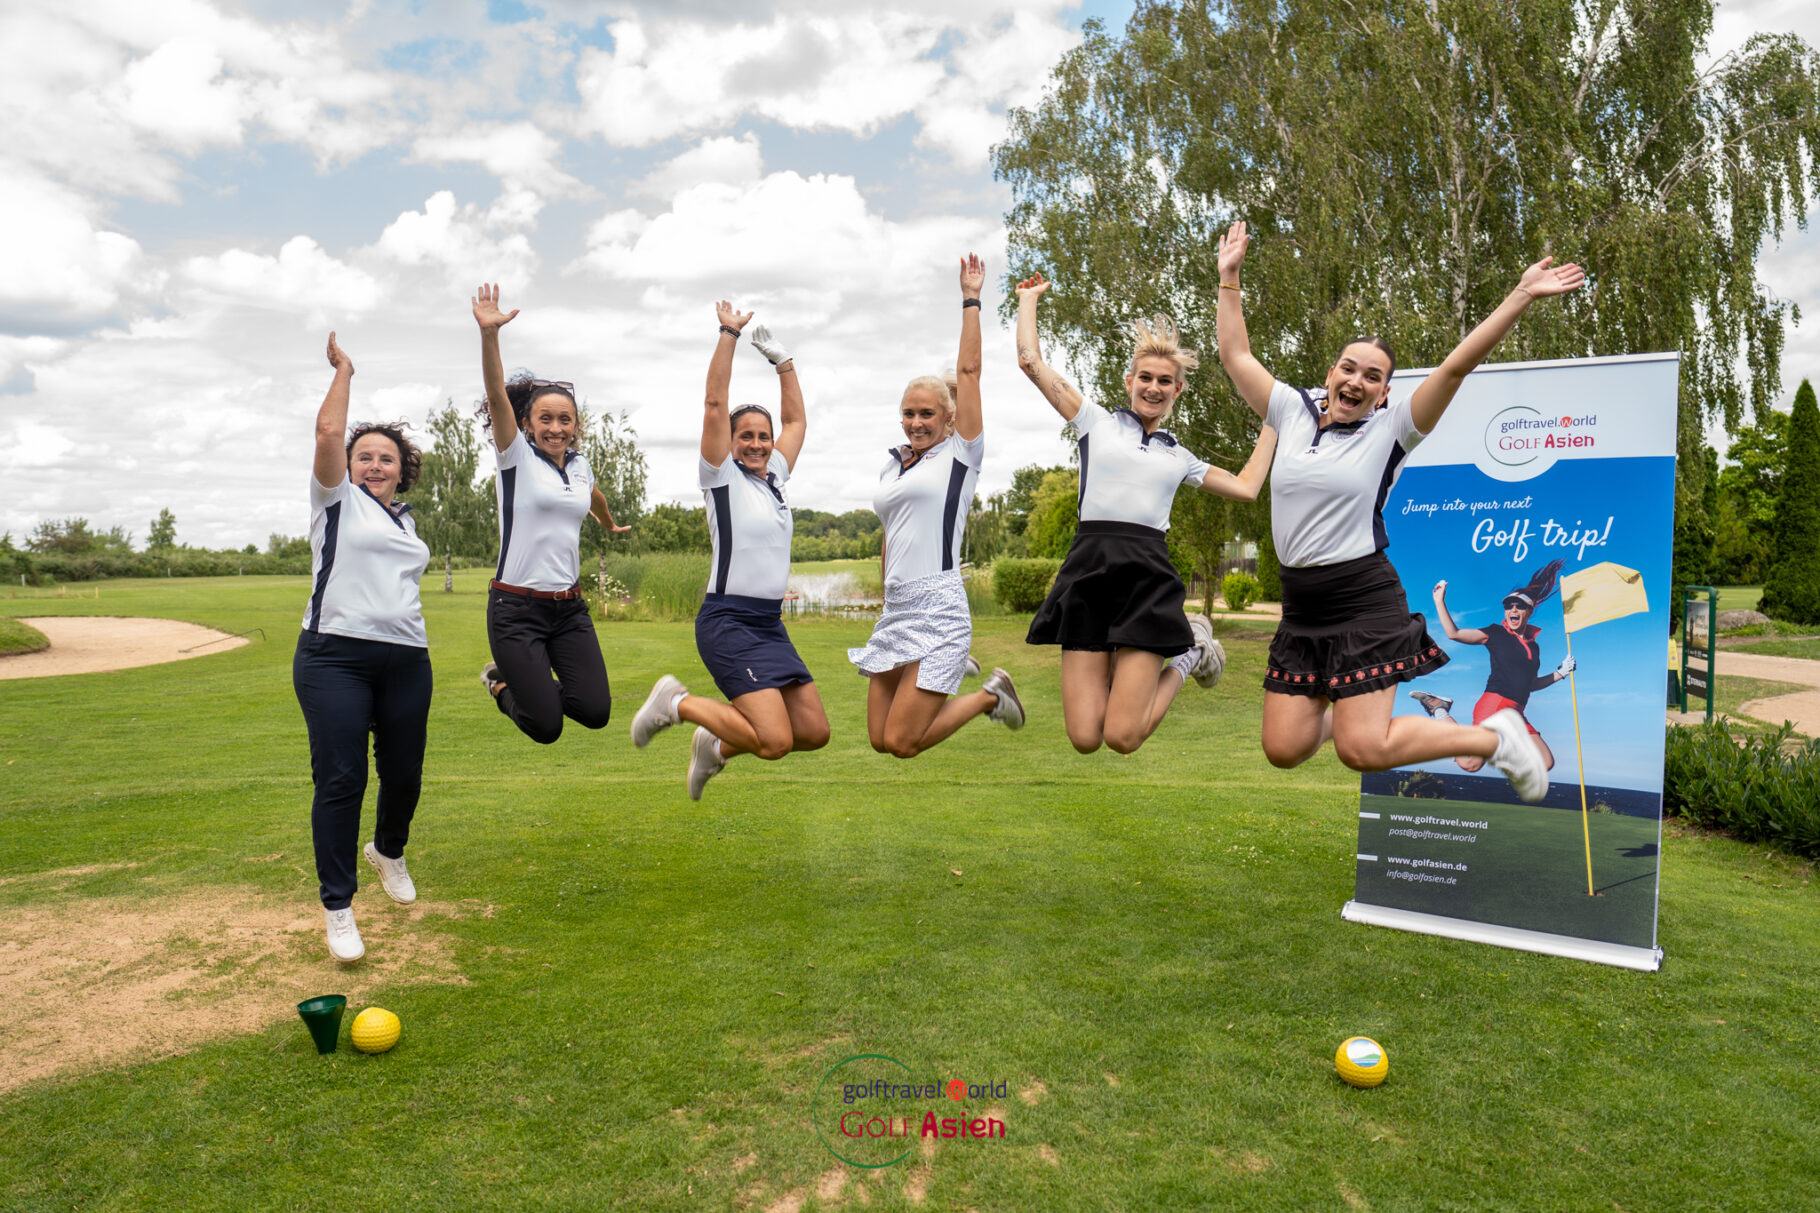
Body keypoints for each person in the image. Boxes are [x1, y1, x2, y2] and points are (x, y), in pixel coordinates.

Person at [1214, 219, 1585, 801]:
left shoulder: (1393, 429)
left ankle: (1493, 739)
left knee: (1360, 749)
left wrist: (1520, 295)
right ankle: (1376, 713)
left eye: (1373, 376)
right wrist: (1230, 277)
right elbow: (1235, 354)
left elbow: (1456, 367)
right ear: (1330, 373)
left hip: (1363, 600)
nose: (1356, 381)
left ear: (1385, 392)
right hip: (1301, 607)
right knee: (1284, 748)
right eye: (1348, 368)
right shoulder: (1290, 409)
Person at [1015, 273, 1278, 755]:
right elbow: (1031, 363)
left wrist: (1276, 419)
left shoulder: (1180, 457)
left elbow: (1246, 487)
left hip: (1145, 583)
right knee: (1084, 738)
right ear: (1129, 381)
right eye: (1146, 378)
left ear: (1178, 390)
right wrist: (1028, 300)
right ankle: (1182, 651)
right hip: (1089, 575)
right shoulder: (1093, 422)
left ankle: (1190, 654)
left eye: (1164, 381)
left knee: (1122, 737)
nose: (1154, 388)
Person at [628, 303, 829, 798]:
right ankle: (677, 703)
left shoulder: (775, 477)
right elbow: (715, 403)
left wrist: (783, 362)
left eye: (764, 437)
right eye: (747, 437)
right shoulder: (721, 476)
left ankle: (715, 747)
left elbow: (796, 420)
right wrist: (728, 335)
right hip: (729, 622)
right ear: (731, 442)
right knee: (775, 741)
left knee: (813, 732)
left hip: (769, 624)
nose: (757, 444)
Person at [848, 254, 1026, 756]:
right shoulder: (893, 466)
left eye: (927, 413)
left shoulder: (960, 457)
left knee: (903, 742)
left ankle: (990, 697)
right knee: (880, 740)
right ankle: (965, 678)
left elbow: (969, 371)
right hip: (897, 606)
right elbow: (892, 532)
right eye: (908, 413)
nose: (916, 422)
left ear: (949, 418)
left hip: (939, 607)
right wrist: (886, 590)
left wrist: (971, 299)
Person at [293, 332, 430, 963]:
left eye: (387, 458)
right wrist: (345, 371)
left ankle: (388, 851)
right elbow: (327, 430)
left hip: (406, 659)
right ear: (347, 466)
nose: (375, 465)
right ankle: (338, 906)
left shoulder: (405, 520)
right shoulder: (336, 501)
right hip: (335, 659)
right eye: (365, 457)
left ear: (402, 469)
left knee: (403, 774)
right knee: (342, 779)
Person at [471, 283, 613, 744]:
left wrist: (606, 520)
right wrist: (490, 334)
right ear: (527, 424)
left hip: (569, 609)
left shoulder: (580, 464)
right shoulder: (515, 457)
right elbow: (496, 394)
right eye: (545, 419)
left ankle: (531, 688)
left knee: (594, 711)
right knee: (546, 726)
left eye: (564, 419)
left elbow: (592, 494)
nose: (555, 428)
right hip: (516, 608)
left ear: (576, 425)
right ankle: (500, 685)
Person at [1413, 561, 1576, 773]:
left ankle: (1444, 711)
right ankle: (1440, 711)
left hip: (1516, 712)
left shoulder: (1534, 648)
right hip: (1495, 705)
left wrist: (1561, 672)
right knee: (1470, 763)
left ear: (1529, 610)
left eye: (1519, 606)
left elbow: (1531, 685)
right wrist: (1439, 601)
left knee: (1544, 762)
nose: (1513, 610)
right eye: (1509, 606)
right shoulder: (1496, 633)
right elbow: (1454, 633)